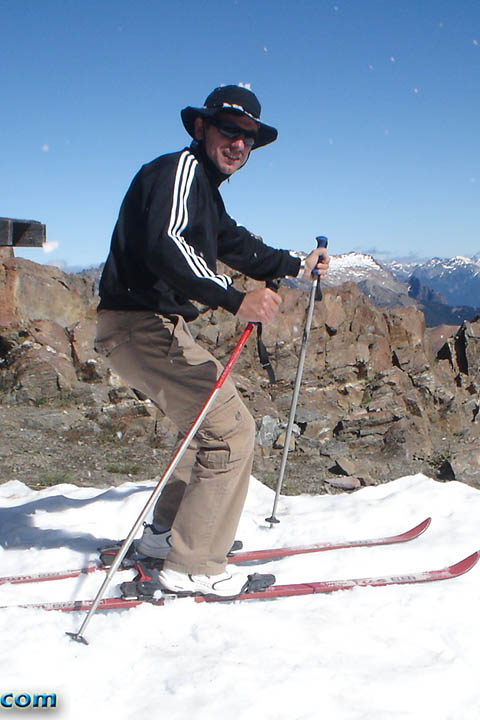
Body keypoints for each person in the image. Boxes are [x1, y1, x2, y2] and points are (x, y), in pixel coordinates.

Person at [94, 85, 330, 596]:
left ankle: (165, 538)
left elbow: (233, 242)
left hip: (148, 325)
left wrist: (293, 264)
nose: (240, 143)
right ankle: (194, 563)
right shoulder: (178, 171)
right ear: (200, 128)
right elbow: (168, 245)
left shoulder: (204, 188)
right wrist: (233, 296)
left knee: (207, 426)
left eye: (249, 137)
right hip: (139, 324)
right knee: (231, 430)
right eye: (230, 129)